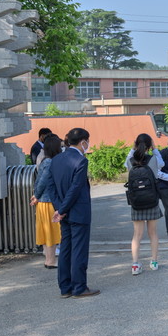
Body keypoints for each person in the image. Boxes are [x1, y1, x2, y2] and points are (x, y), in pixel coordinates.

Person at [47, 128, 99, 298]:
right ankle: (79, 287)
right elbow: (76, 188)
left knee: (66, 250)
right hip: (78, 211)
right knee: (79, 251)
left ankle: (65, 287)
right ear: (83, 141)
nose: (88, 145)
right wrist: (62, 209)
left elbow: (51, 186)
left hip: (63, 212)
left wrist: (60, 208)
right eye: (87, 141)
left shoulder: (56, 160)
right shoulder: (81, 161)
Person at [124, 134, 168, 275]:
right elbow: (162, 164)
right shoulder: (153, 159)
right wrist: (155, 148)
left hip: (136, 201)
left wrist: (133, 149)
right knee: (153, 233)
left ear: (136, 144)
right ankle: (153, 262)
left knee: (137, 235)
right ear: (149, 145)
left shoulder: (130, 160)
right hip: (151, 199)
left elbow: (126, 163)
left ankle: (135, 265)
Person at [30, 134, 62, 269]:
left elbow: (38, 180)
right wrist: (36, 195)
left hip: (42, 201)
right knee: (51, 232)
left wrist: (35, 194)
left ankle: (48, 258)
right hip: (48, 202)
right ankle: (50, 260)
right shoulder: (50, 162)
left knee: (45, 231)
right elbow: (44, 181)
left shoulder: (44, 160)